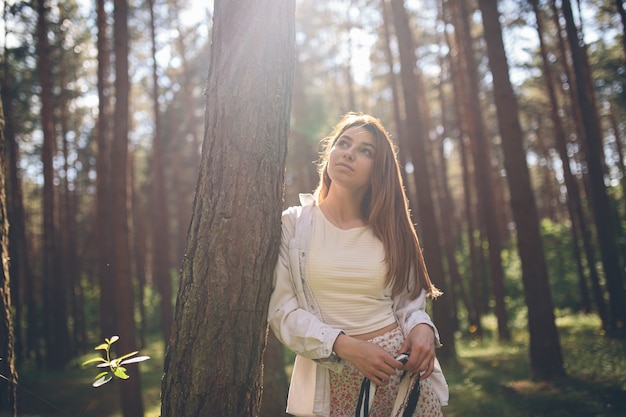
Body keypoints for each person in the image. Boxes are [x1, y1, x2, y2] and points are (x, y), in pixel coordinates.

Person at [268, 113, 448, 417]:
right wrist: (344, 346)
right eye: (344, 143)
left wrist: (422, 328)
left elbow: (408, 305)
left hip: (399, 375)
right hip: (335, 382)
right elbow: (281, 312)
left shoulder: (392, 230)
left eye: (366, 150)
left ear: (379, 170)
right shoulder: (294, 224)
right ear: (330, 154)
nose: (349, 152)